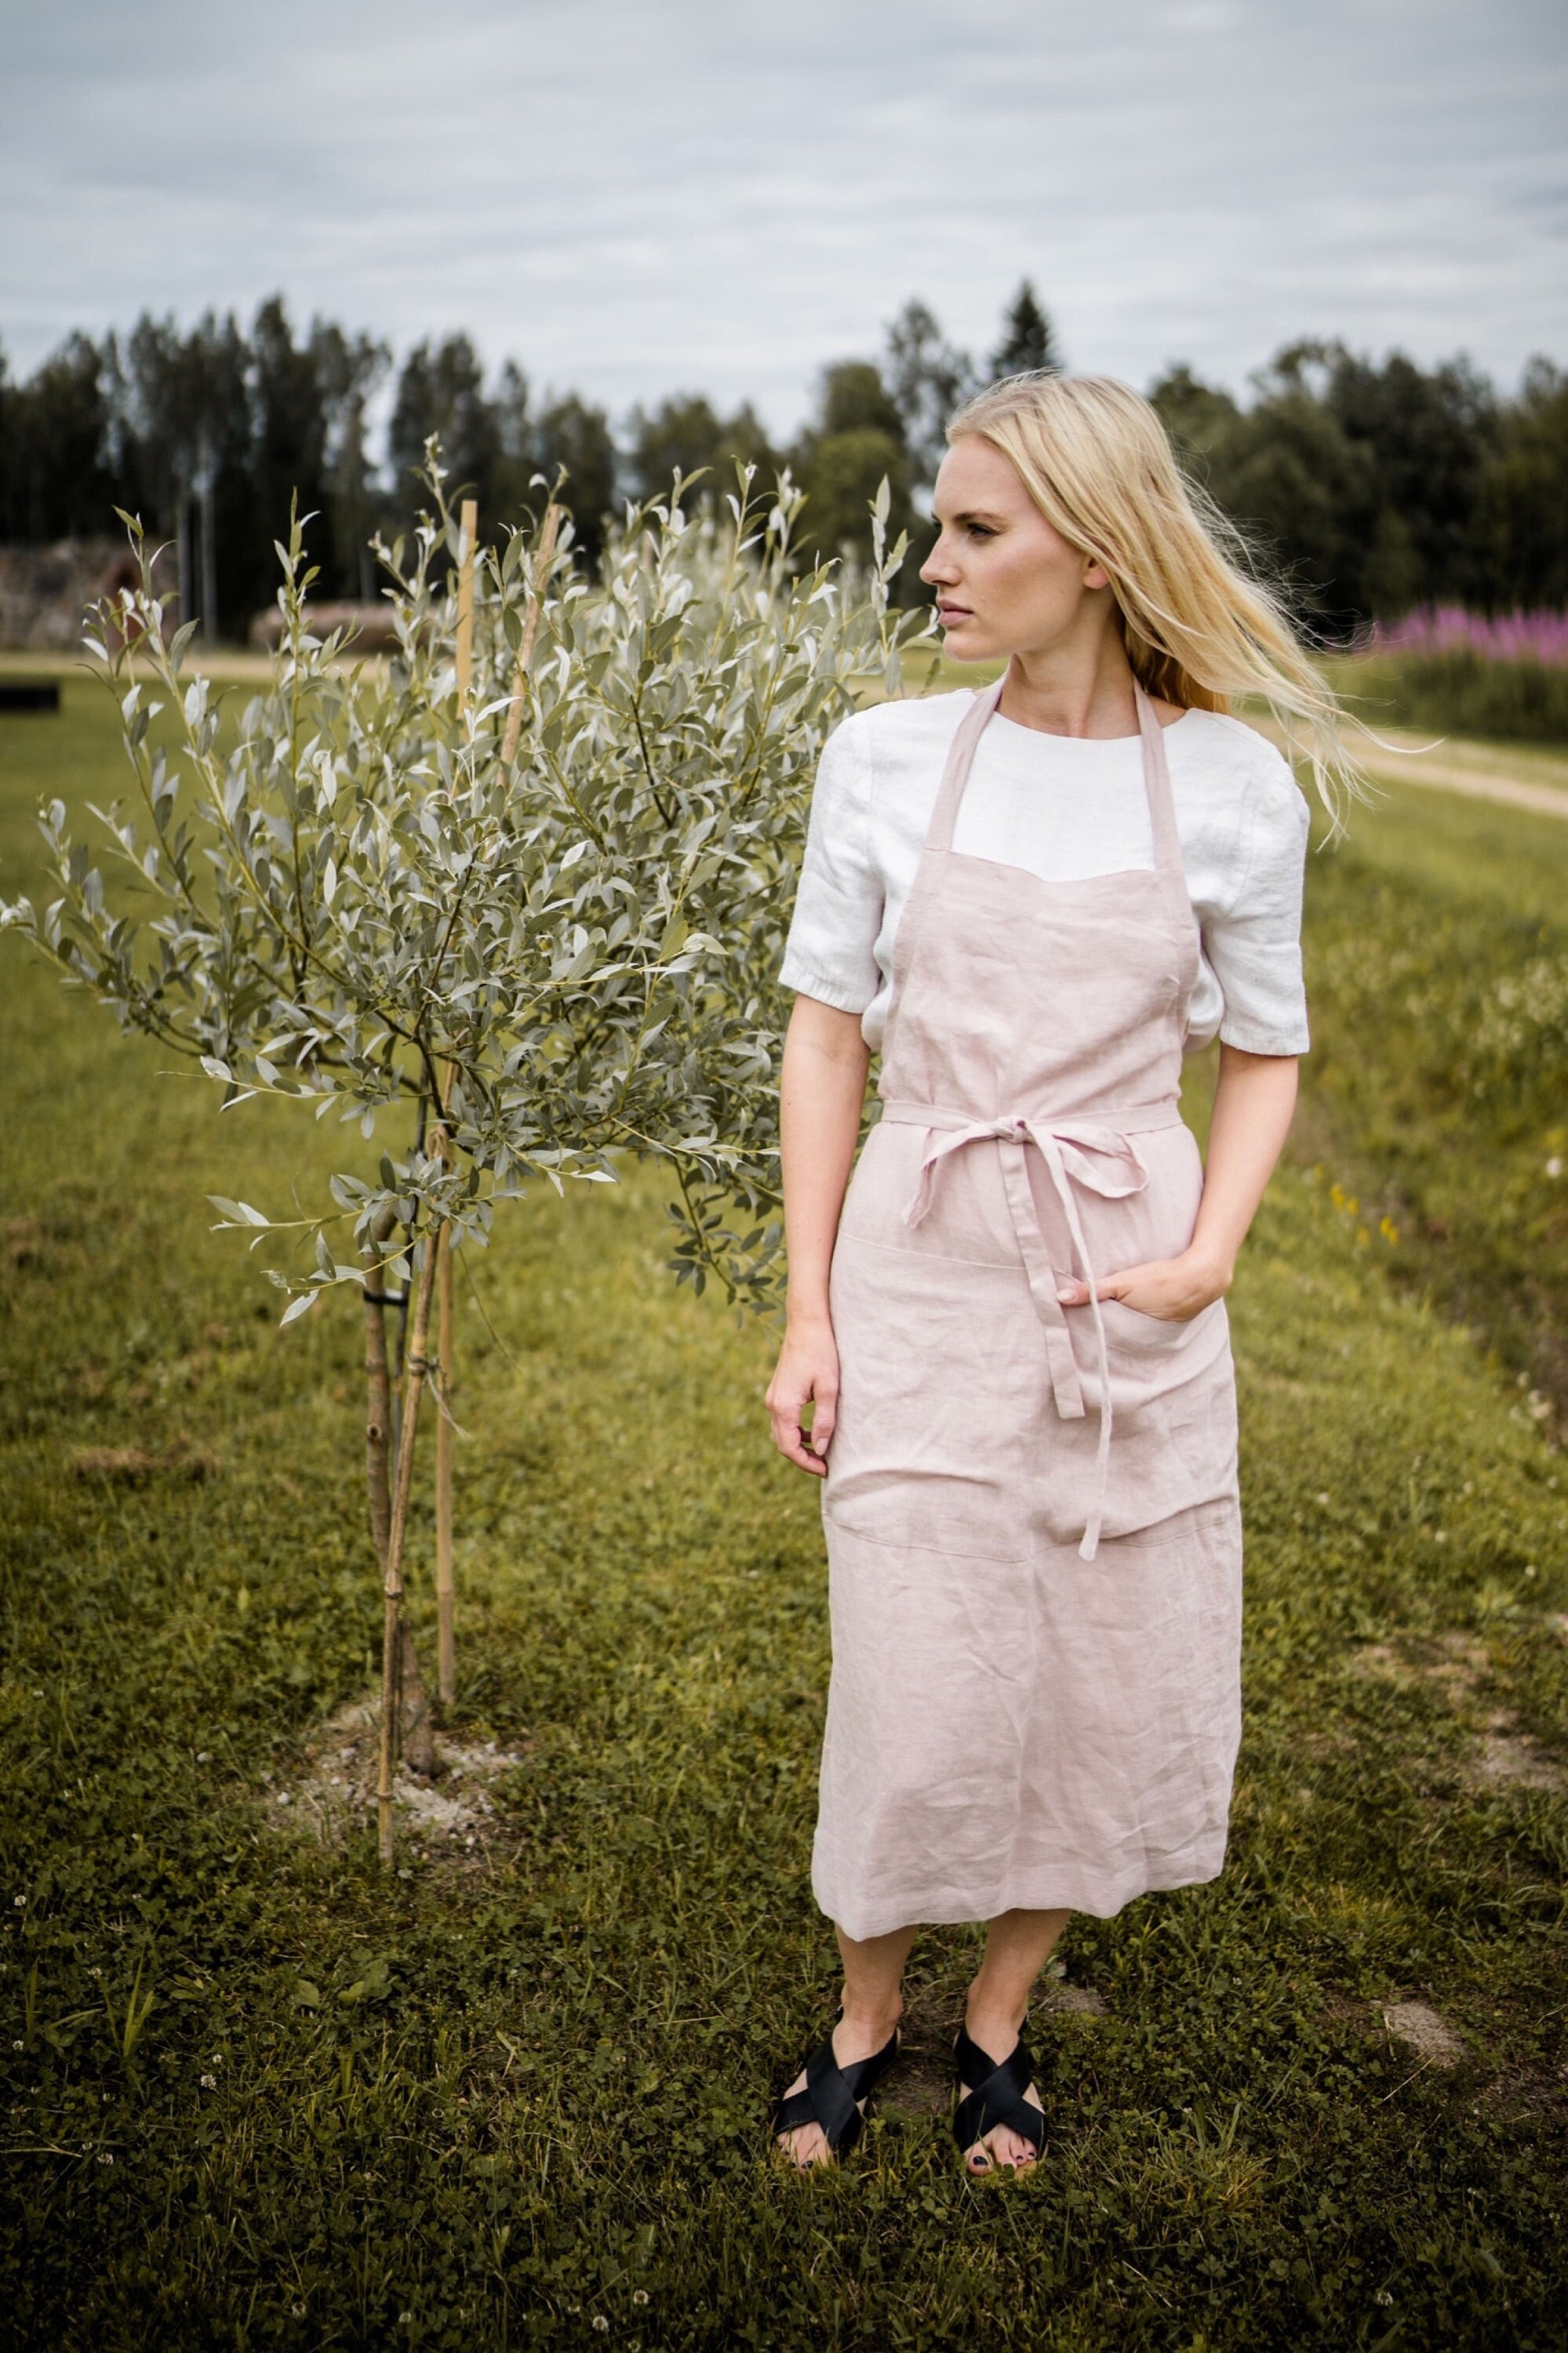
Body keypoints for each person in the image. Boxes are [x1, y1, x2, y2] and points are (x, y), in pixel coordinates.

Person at [766, 371, 1351, 2174]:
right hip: (924, 1259)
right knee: (910, 1656)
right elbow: (825, 1036)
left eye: (973, 530)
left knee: (1103, 1660)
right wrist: (807, 1309)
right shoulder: (881, 759)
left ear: (1093, 551)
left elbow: (1266, 1050)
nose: (933, 564)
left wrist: (1208, 1257)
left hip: (1130, 1277)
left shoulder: (1228, 786)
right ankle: (865, 2015)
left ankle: (1000, 2020)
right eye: (938, 528)